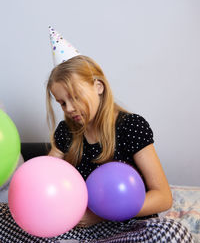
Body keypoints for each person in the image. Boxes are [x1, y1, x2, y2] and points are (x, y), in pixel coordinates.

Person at [0, 28, 193, 243]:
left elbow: (163, 198)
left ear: (98, 86)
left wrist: (101, 214)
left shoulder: (131, 126)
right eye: (62, 103)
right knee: (3, 219)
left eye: (75, 97)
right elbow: (43, 179)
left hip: (126, 225)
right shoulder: (66, 131)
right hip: (78, 227)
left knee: (172, 232)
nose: (69, 108)